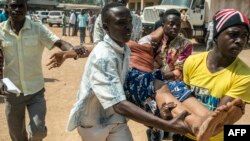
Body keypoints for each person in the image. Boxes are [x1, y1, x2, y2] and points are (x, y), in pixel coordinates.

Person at [48, 2, 193, 141]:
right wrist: (165, 125)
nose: (128, 27)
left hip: (115, 118)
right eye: (120, 23)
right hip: (93, 123)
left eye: (129, 22)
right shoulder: (104, 57)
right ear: (106, 27)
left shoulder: (124, 48)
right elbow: (119, 104)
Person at [0, 0, 75, 141]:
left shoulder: (37, 28)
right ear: (7, 8)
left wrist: (72, 51)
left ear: (27, 8)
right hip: (12, 90)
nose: (17, 9)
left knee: (38, 132)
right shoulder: (0, 31)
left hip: (36, 90)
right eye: (13, 6)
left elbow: (59, 42)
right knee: (16, 135)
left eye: (21, 6)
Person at [179, 9, 250, 141]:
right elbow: (182, 99)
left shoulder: (244, 75)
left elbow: (215, 120)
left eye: (245, 36)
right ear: (216, 35)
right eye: (233, 34)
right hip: (186, 134)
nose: (240, 41)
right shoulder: (192, 62)